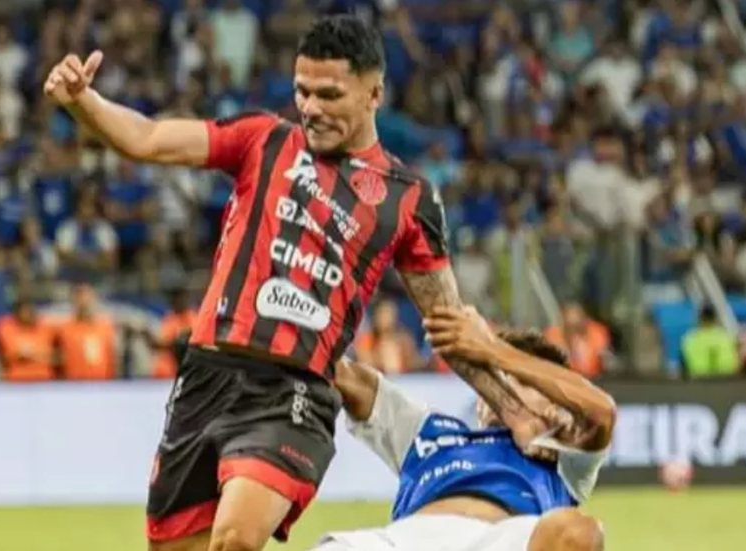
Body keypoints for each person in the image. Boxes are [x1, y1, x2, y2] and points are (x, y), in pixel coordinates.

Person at [45, 15, 542, 551]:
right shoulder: (263, 140)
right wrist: (84, 102)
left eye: (329, 94)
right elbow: (148, 138)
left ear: (374, 93)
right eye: (302, 91)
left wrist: (514, 411)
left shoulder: (408, 200)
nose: (311, 107)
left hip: (293, 390)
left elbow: (452, 330)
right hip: (207, 375)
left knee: (234, 539)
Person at [316, 307, 616, 551]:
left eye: (523, 382)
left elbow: (602, 413)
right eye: (493, 381)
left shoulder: (561, 455)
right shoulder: (429, 430)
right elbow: (350, 378)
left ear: (553, 402)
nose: (503, 388)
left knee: (579, 532)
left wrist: (491, 349)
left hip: (504, 539)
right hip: (407, 540)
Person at [680, 304, 739, 378]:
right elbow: (736, 363)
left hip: (698, 379)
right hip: (726, 379)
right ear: (715, 318)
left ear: (699, 318)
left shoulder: (689, 339)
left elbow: (684, 366)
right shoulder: (727, 337)